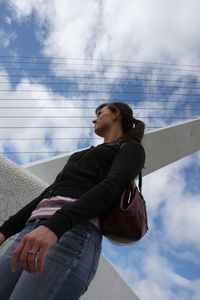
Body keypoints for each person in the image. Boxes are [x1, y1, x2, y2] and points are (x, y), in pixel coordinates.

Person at [0, 102, 146, 300]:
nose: (94, 119)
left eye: (99, 113)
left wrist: (55, 226)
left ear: (115, 115)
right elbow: (46, 195)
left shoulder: (131, 149)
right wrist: (5, 231)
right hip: (31, 231)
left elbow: (112, 186)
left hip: (73, 232)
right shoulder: (79, 155)